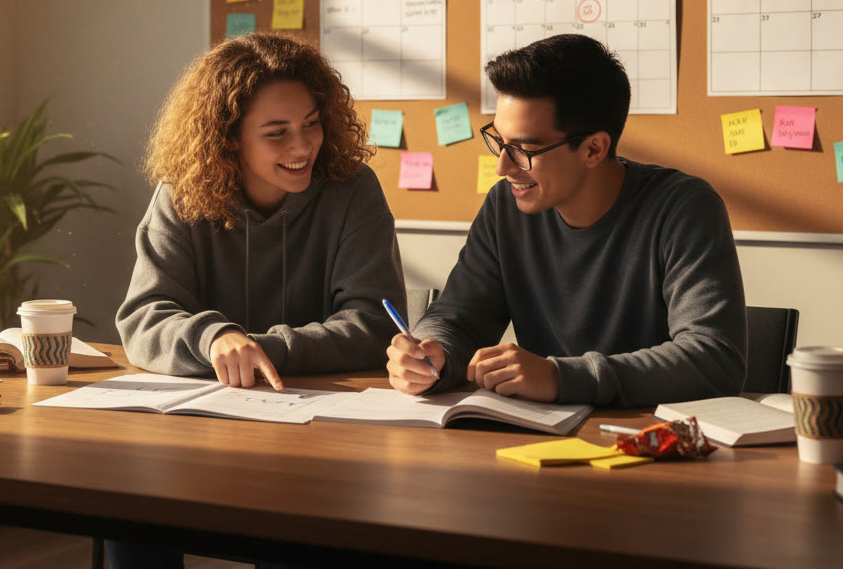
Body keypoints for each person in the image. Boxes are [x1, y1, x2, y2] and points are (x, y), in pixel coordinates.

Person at [111, 33, 404, 568]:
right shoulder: (183, 193)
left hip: (320, 439)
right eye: (277, 133)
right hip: (198, 431)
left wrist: (261, 349)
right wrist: (212, 337)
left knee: (291, 533)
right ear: (229, 139)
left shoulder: (352, 191)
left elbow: (373, 323)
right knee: (128, 511)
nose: (302, 147)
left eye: (311, 124)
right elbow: (144, 315)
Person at [387, 33, 746, 407]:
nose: (502, 166)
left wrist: (561, 377)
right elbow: (458, 318)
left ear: (594, 148)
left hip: (651, 443)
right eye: (499, 141)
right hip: (538, 440)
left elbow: (714, 358)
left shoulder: (683, 208)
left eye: (525, 150)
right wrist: (432, 353)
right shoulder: (505, 206)